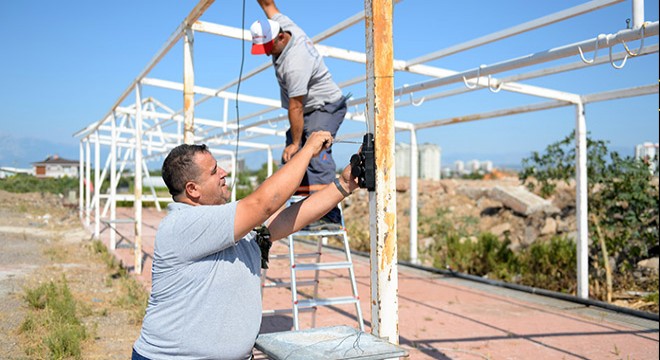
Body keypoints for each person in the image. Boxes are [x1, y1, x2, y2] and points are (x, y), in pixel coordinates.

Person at [132, 131, 359, 360]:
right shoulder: (182, 224)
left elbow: (282, 221)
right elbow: (263, 204)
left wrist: (344, 184)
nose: (224, 173)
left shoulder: (223, 226)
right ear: (192, 190)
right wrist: (307, 150)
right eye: (214, 171)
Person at [250, 0, 348, 227]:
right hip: (310, 108)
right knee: (294, 159)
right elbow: (268, 4)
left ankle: (330, 215)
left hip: (326, 105)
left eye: (267, 48)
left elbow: (296, 107)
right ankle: (306, 209)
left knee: (314, 149)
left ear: (281, 38)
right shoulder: (282, 24)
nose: (266, 55)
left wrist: (296, 142)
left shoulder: (295, 62)